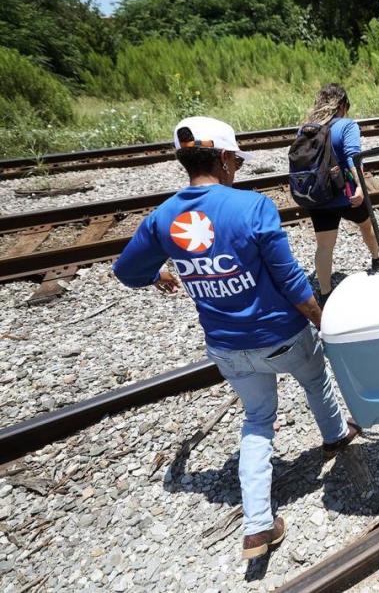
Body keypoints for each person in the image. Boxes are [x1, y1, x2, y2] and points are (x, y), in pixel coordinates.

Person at [112, 116, 361, 559]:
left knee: (258, 418)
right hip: (281, 335)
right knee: (315, 379)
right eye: (237, 161)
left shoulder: (163, 218)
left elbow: (127, 271)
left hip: (226, 346)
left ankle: (258, 526)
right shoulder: (253, 207)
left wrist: (160, 273)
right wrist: (323, 319)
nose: (238, 169)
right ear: (225, 159)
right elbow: (290, 281)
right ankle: (336, 436)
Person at [302, 84, 379, 304]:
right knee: (366, 225)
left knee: (324, 246)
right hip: (346, 193)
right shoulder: (347, 125)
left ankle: (325, 293)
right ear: (342, 105)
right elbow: (353, 158)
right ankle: (378, 258)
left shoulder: (304, 128)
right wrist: (359, 186)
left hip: (318, 195)